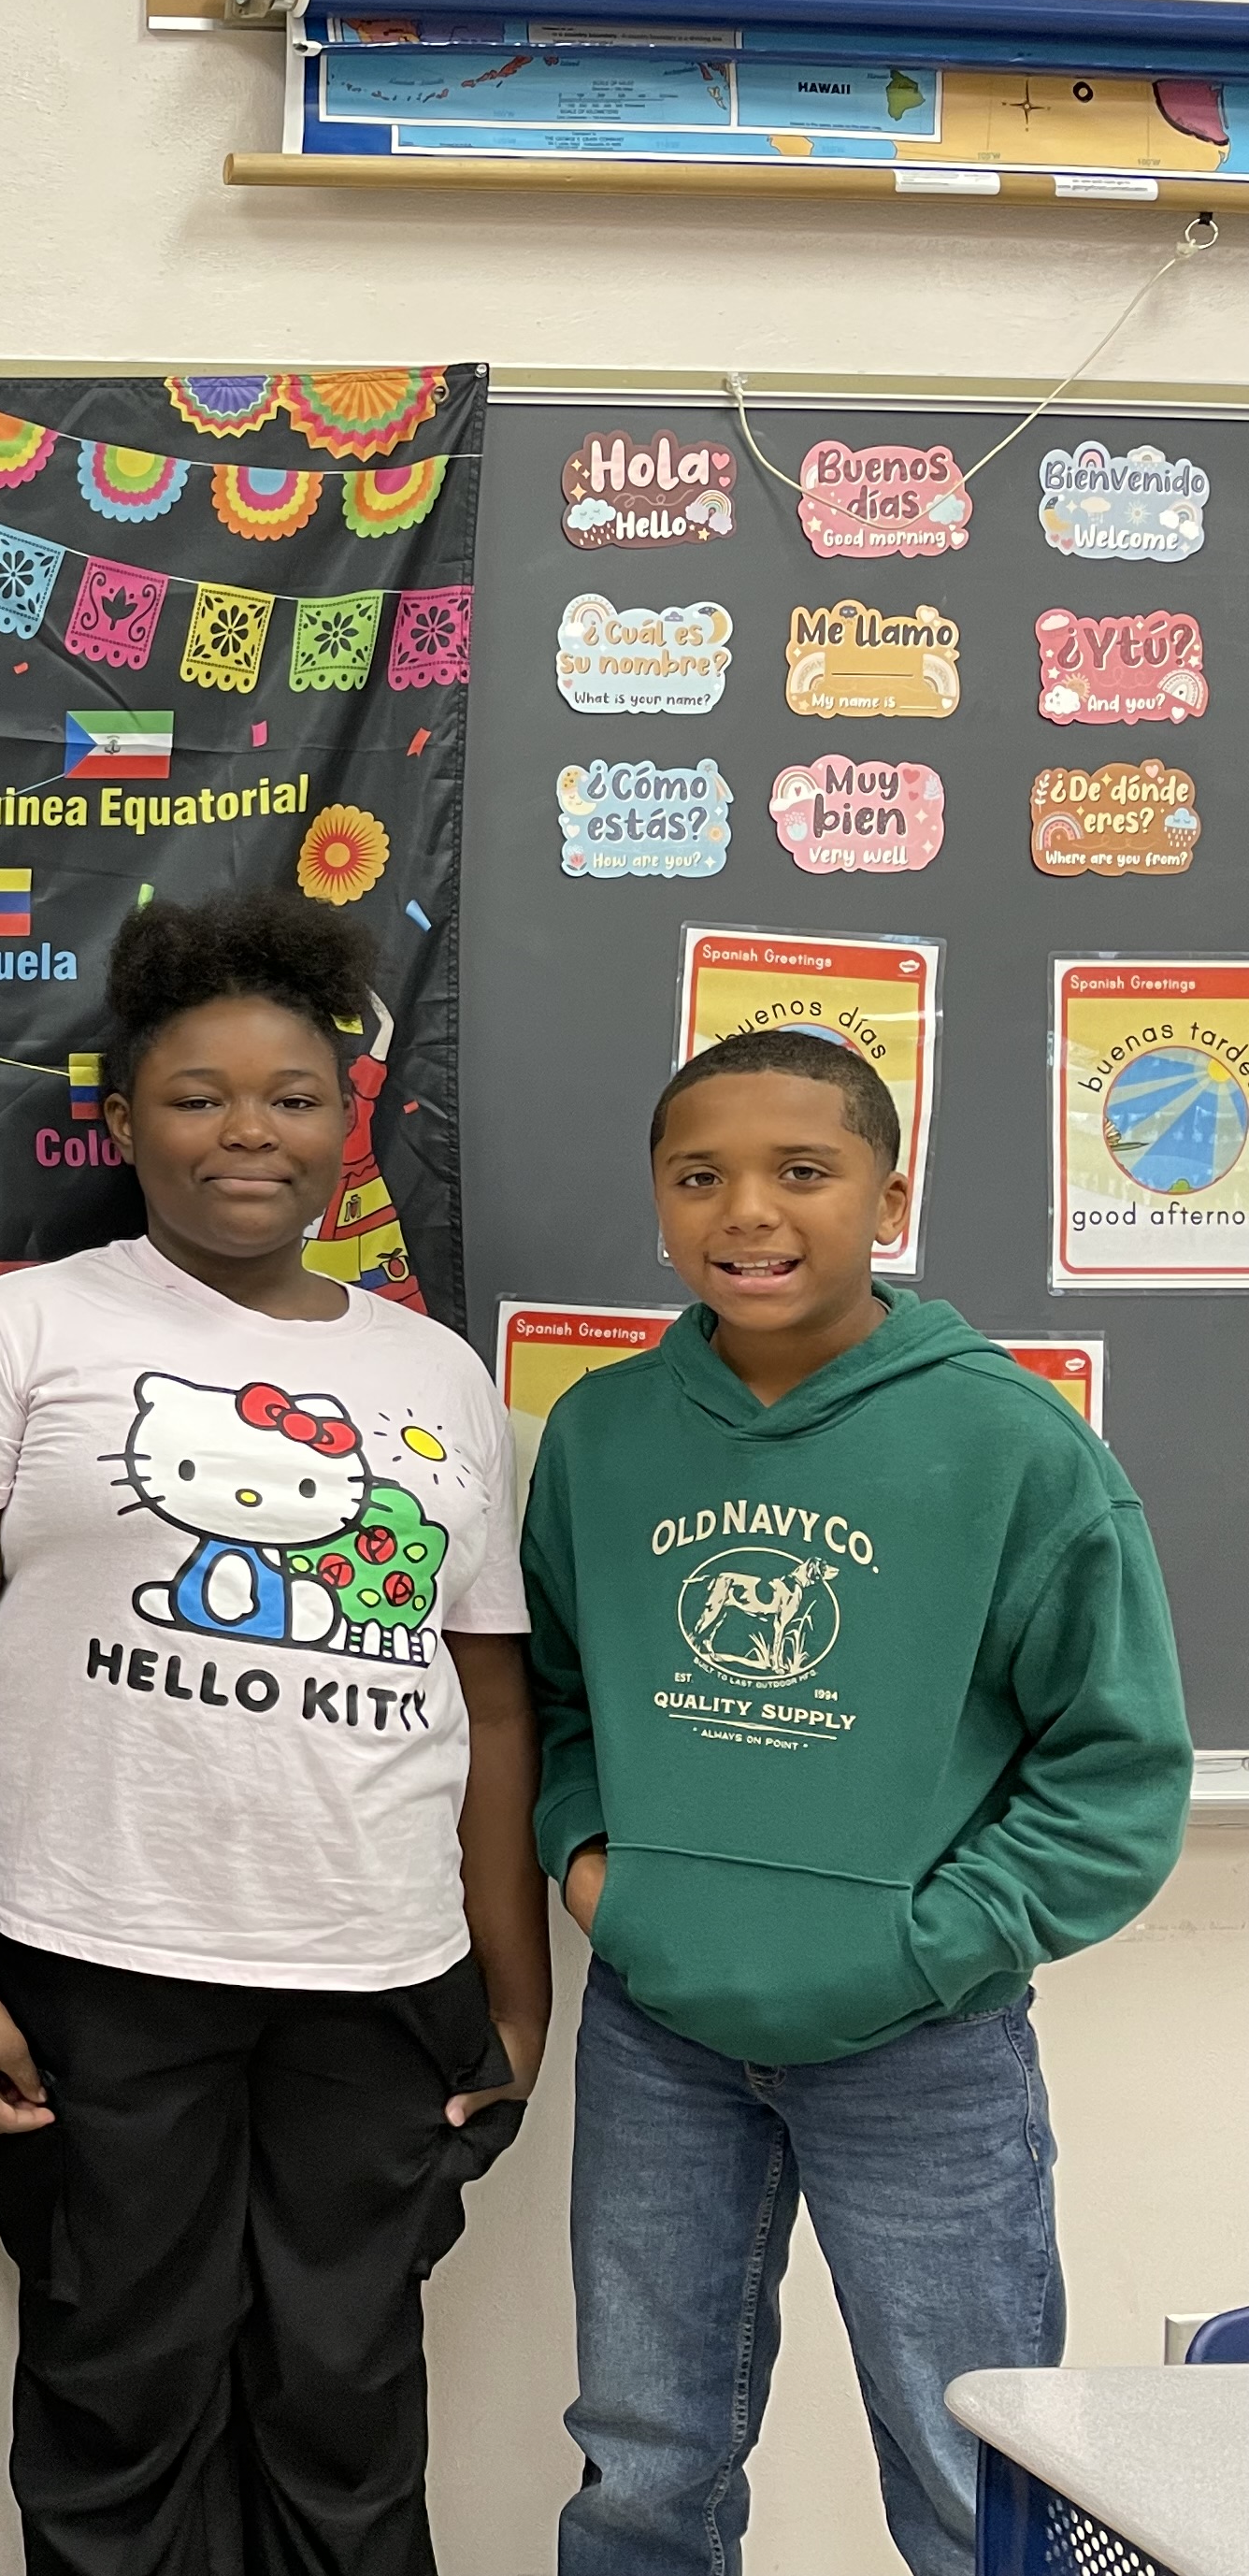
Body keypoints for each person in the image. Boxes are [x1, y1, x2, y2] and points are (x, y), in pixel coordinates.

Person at [0, 886, 546, 2576]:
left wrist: (517, 1988)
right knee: (117, 2408)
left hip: (378, 1977)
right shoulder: (24, 1334)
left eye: (296, 1096)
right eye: (199, 1096)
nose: (252, 1133)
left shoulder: (438, 1376)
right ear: (122, 1119)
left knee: (349, 2414)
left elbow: (484, 1696)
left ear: (349, 1119)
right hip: (100, 1961)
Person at [528, 1029, 1189, 2576]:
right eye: (701, 1177)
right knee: (641, 2463)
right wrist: (591, 1870)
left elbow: (1116, 1773)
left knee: (979, 2475)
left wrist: (926, 1946)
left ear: (889, 1199)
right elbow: (556, 1695)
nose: (748, 1213)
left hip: (925, 2054)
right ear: (659, 1200)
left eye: (802, 1173)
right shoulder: (604, 1437)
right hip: (661, 2036)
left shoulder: (1011, 1442)